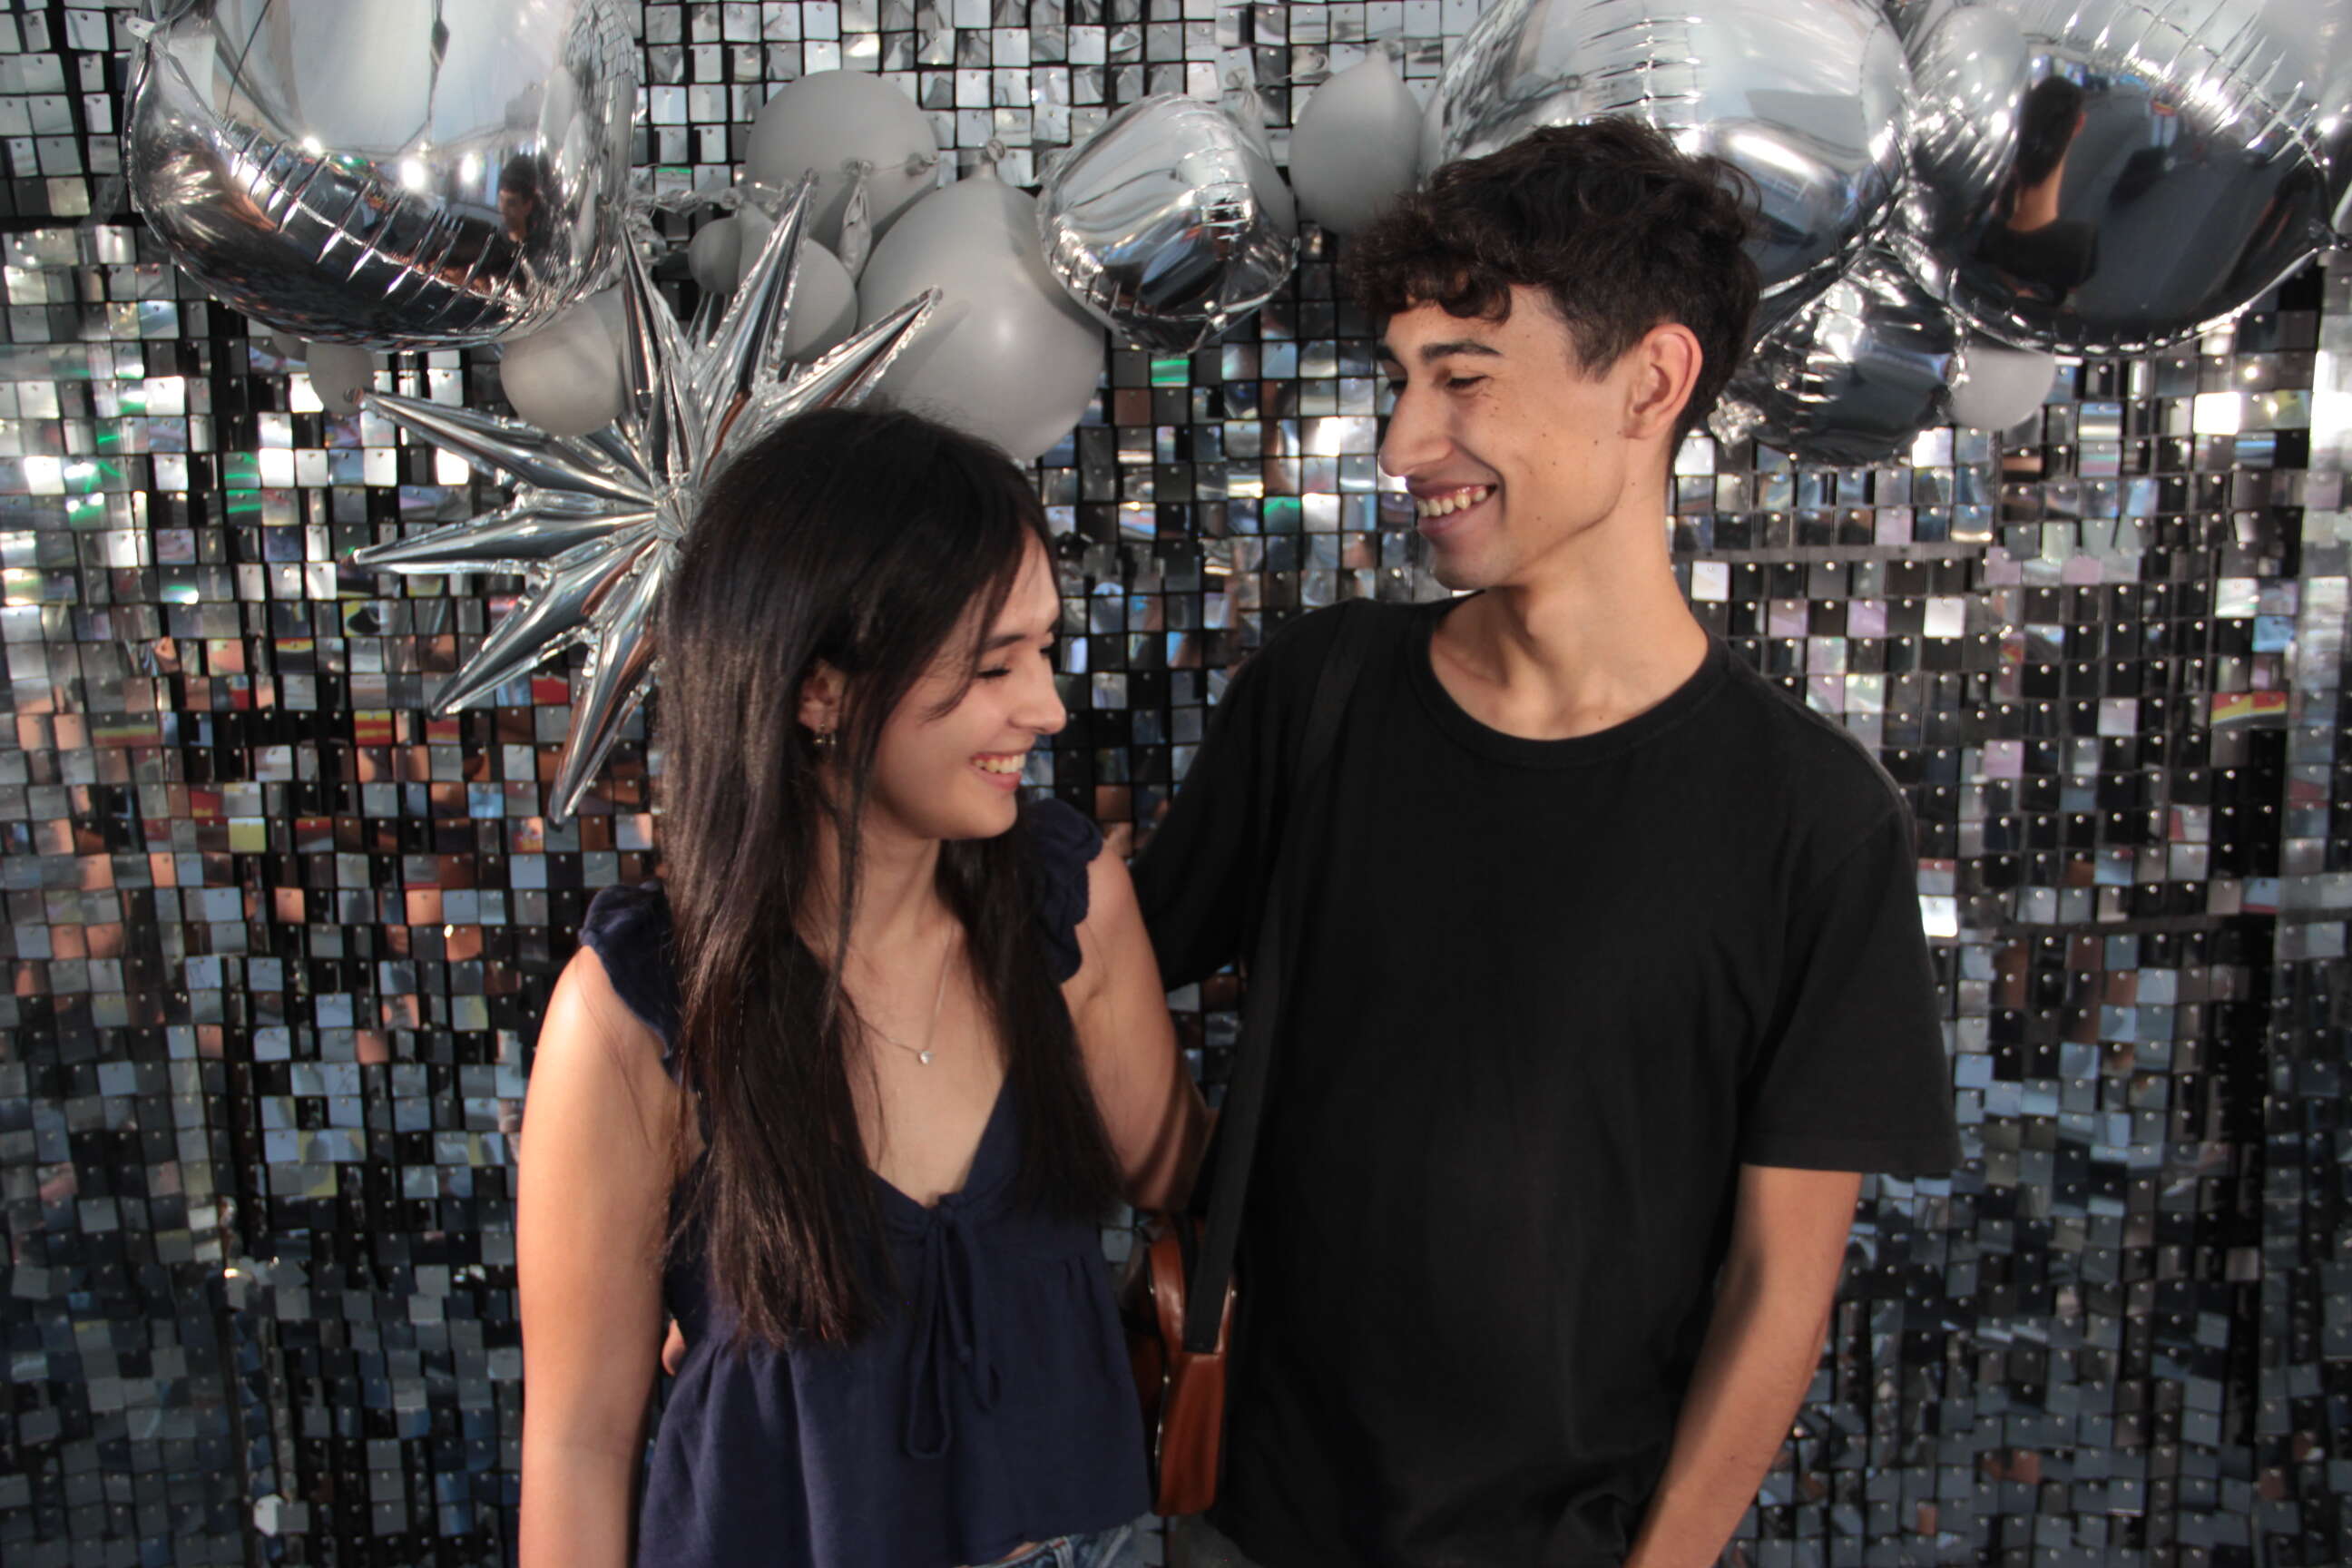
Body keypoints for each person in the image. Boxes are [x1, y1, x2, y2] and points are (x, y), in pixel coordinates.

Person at [1136, 119, 1961, 1568]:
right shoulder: (1320, 695)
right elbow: (1107, 983)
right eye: (1403, 380)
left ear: (1651, 381)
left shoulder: (1816, 822)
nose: (1405, 444)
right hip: (1242, 1528)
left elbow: (1780, 1286)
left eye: (1463, 379)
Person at [516, 407, 1206, 1568]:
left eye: (1044, 651)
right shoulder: (639, 1009)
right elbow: (579, 1444)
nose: (1046, 707)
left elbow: (1177, 1168)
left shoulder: (1064, 905)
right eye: (994, 665)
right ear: (820, 690)